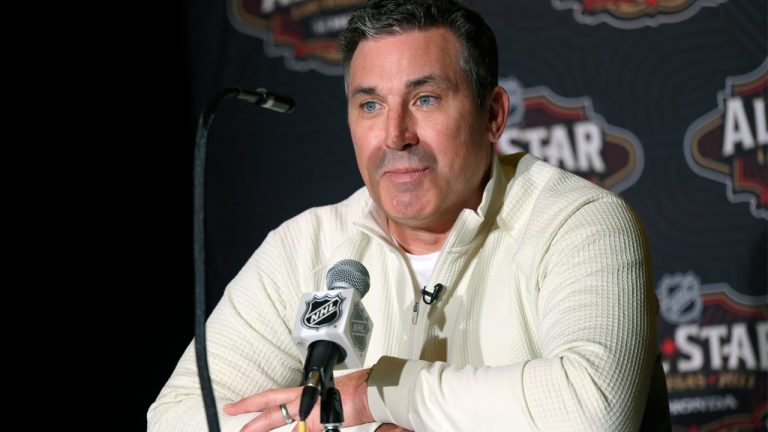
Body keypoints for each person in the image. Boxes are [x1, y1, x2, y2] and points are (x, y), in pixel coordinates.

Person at [148, 0, 670, 431]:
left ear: (493, 115)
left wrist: (377, 392)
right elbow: (178, 417)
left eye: (425, 98)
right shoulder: (303, 245)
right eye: (370, 105)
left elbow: (593, 410)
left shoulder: (580, 220)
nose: (395, 135)